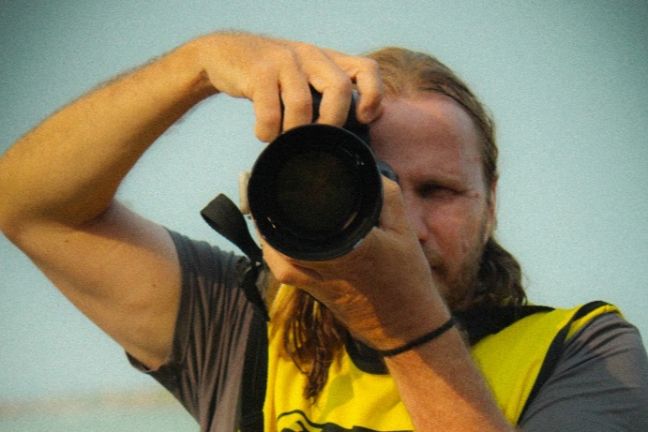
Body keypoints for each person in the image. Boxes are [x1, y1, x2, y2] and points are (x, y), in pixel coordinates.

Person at [1, 31, 647, 432]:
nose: (408, 225)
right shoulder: (242, 328)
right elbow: (26, 204)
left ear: (492, 202)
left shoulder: (585, 354)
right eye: (378, 188)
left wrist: (406, 328)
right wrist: (198, 64)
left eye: (439, 191)